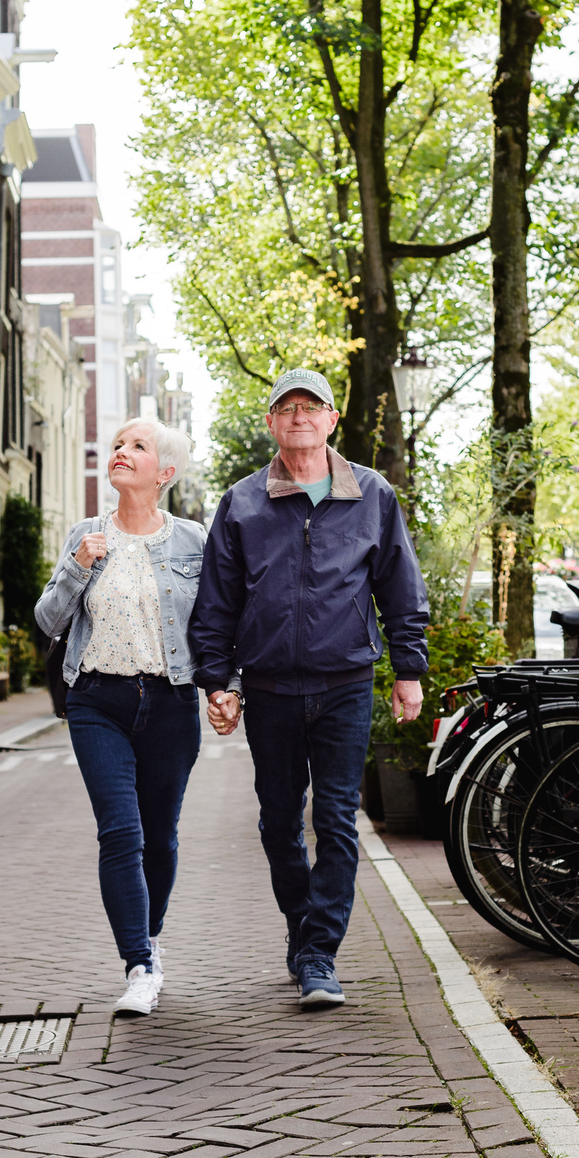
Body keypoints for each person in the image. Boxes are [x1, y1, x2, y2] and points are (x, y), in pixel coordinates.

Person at [190, 367, 428, 1010]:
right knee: (277, 823)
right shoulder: (242, 502)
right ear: (271, 423)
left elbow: (401, 589)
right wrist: (218, 680)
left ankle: (319, 952)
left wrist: (409, 670)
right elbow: (217, 602)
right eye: (285, 408)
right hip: (268, 687)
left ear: (330, 420)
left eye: (310, 406)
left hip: (345, 680)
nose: (298, 416)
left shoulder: (371, 494)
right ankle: (304, 932)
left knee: (336, 818)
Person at [35, 419, 203, 1017]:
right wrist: (79, 566)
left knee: (159, 838)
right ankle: (138, 963)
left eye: (137, 446)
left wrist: (228, 688)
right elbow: (48, 620)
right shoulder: (85, 535)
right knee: (121, 832)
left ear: (165, 473)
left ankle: (148, 935)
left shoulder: (193, 542)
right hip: (96, 701)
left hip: (170, 704)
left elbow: (216, 626)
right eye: (116, 446)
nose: (121, 454)